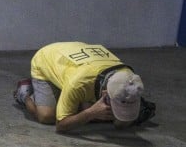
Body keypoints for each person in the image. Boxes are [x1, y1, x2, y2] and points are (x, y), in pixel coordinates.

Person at [13, 42, 152, 133]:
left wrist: (124, 115)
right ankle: (25, 93)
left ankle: (70, 98)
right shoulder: (79, 82)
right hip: (46, 59)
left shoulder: (129, 78)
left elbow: (120, 124)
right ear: (104, 93)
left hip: (81, 60)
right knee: (47, 116)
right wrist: (91, 113)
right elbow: (61, 125)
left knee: (87, 110)